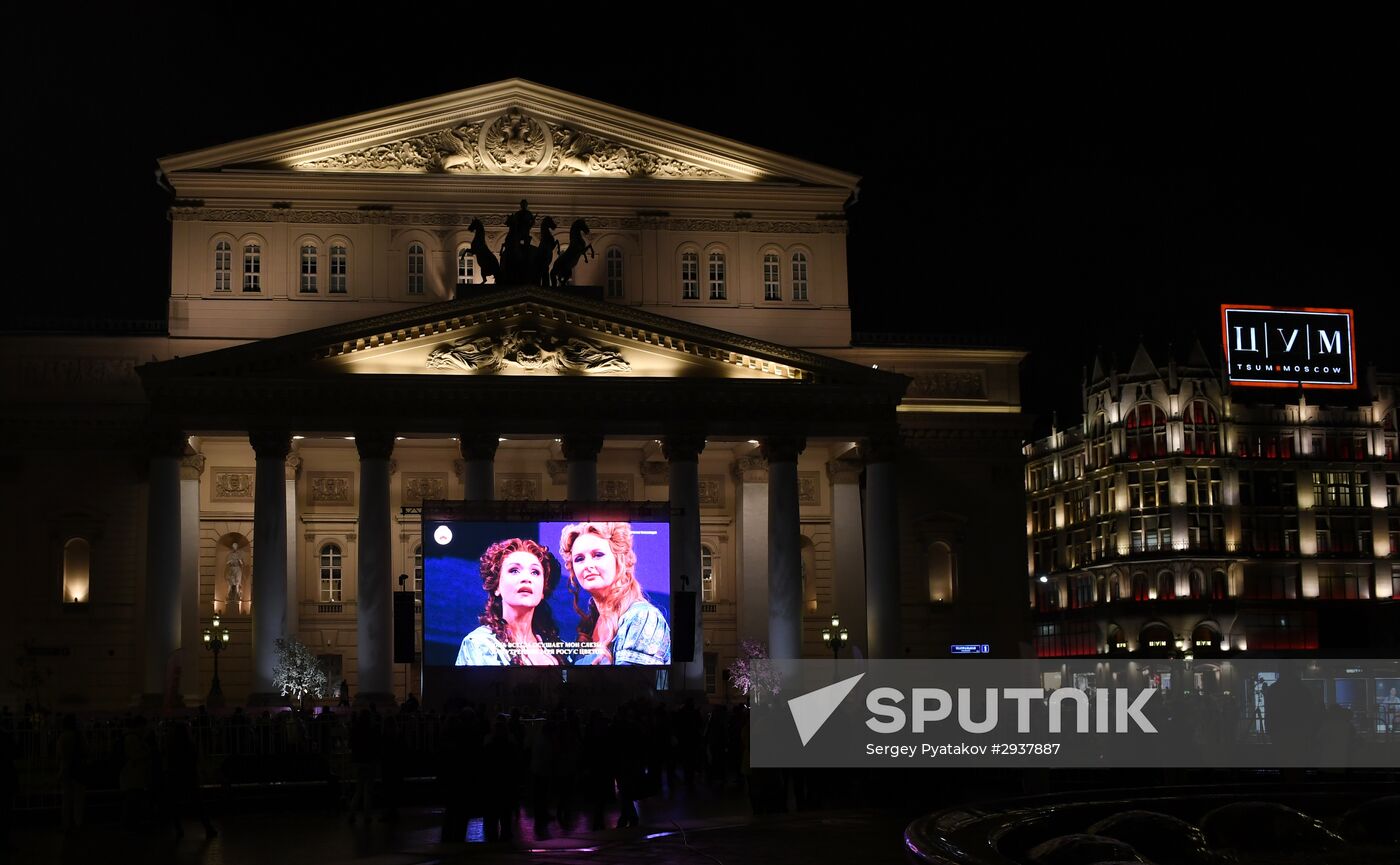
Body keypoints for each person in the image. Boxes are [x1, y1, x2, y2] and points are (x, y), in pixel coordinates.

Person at [560, 522, 670, 665]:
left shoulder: (642, 617)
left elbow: (633, 685)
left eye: (598, 555)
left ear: (619, 560)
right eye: (579, 559)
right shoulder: (590, 626)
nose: (588, 565)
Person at [456, 538, 562, 666]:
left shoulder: (558, 650)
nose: (526, 578)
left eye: (535, 572)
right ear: (496, 586)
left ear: (543, 591)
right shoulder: (480, 644)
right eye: (514, 570)